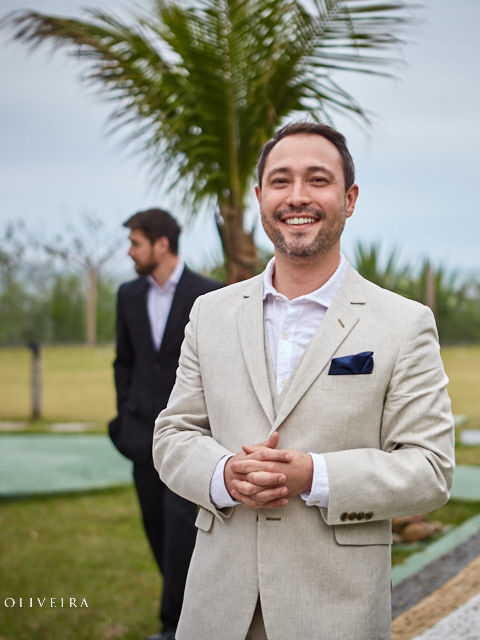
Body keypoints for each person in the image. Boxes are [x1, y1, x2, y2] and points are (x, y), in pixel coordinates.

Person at [152, 122, 456, 639]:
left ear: (349, 197)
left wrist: (314, 476)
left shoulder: (402, 323)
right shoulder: (210, 313)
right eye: (281, 181)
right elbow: (172, 435)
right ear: (259, 197)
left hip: (333, 613)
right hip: (216, 609)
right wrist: (223, 474)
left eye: (317, 180)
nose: (297, 197)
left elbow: (429, 469)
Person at [108, 208, 222, 640]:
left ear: (161, 244)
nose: (129, 251)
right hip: (140, 437)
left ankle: (174, 625)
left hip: (190, 438)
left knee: (181, 531)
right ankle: (184, 610)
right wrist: (126, 413)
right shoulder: (127, 295)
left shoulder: (208, 294)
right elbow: (125, 360)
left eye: (135, 243)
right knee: (154, 526)